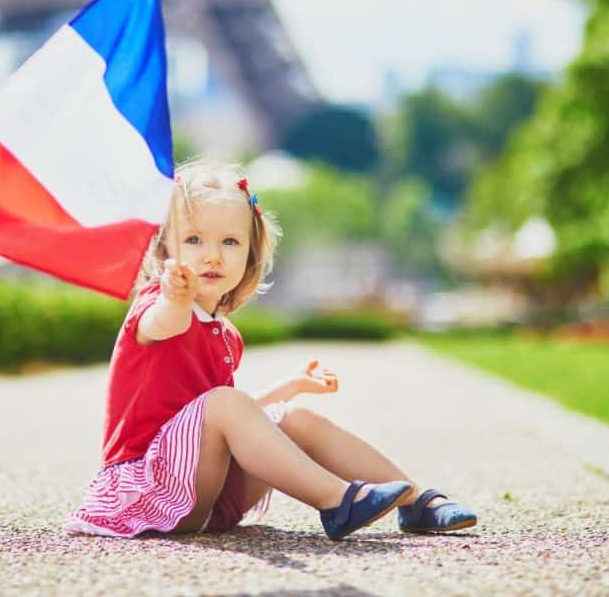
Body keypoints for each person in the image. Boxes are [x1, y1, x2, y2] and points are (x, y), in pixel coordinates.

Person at [63, 161, 478, 540]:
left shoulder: (224, 336)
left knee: (293, 418)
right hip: (146, 488)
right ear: (166, 250)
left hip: (206, 491)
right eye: (193, 239)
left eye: (230, 241)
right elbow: (166, 327)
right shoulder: (156, 305)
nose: (212, 254)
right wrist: (175, 297)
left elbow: (227, 423)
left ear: (249, 253)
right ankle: (337, 500)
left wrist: (286, 389)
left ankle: (417, 502)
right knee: (228, 402)